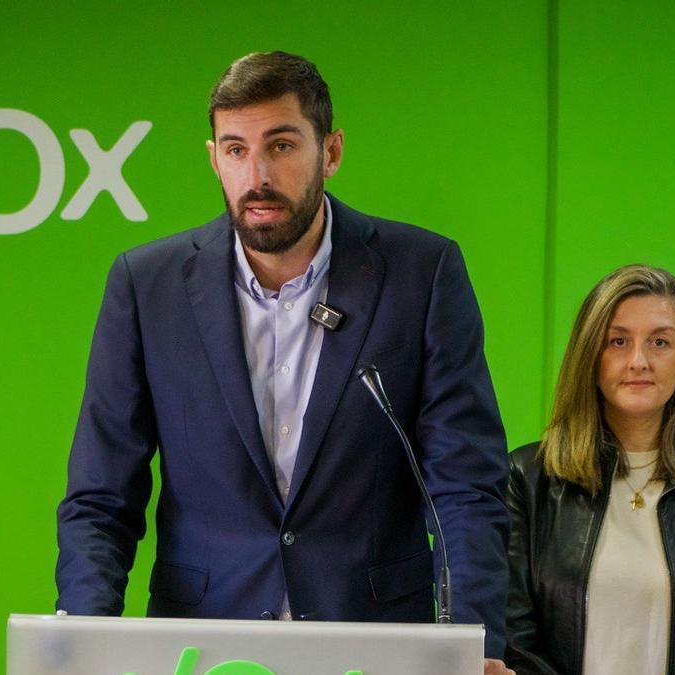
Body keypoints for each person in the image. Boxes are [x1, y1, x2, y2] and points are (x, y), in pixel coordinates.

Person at [55, 51, 514, 672]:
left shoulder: (422, 274)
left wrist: (471, 646)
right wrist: (85, 645)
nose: (258, 175)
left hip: (374, 646)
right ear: (214, 157)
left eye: (281, 146)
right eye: (236, 149)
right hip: (204, 646)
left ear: (332, 152)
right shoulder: (146, 285)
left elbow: (465, 489)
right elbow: (101, 498)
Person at [504, 265, 675, 674]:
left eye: (660, 342)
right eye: (617, 341)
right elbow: (514, 638)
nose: (638, 361)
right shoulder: (527, 477)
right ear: (590, 359)